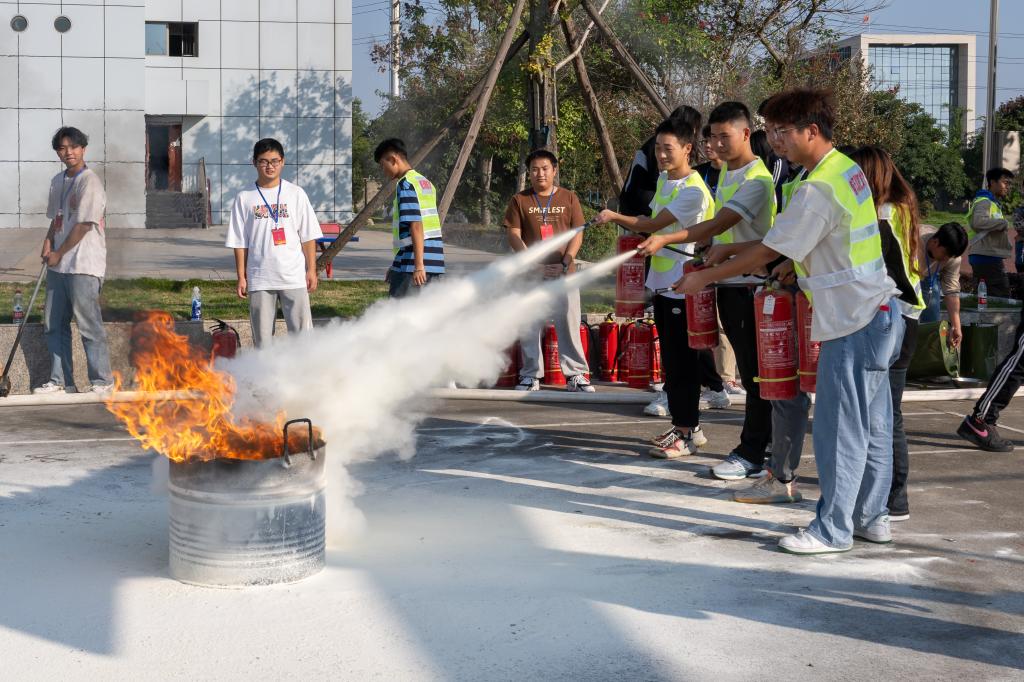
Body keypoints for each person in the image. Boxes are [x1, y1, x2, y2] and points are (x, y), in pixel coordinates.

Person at [678, 89, 902, 555]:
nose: (774, 140)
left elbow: (767, 248)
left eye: (782, 131)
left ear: (811, 131)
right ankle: (870, 518)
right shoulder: (845, 170)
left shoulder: (819, 186)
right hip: (877, 312)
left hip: (852, 321)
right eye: (771, 130)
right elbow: (804, 246)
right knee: (873, 425)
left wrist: (708, 277)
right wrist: (782, 264)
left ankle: (832, 531)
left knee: (840, 430)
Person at [637, 101, 777, 482]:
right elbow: (719, 231)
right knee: (751, 376)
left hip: (750, 287)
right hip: (729, 283)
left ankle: (754, 451)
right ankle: (757, 448)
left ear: (746, 134)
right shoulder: (729, 174)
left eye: (724, 136)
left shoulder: (756, 180)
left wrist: (669, 237)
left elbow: (718, 224)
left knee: (756, 377)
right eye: (712, 137)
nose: (715, 144)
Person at [594, 116, 714, 456]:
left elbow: (654, 224)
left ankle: (685, 433)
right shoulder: (665, 181)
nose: (661, 155)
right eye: (658, 148)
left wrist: (614, 216)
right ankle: (689, 426)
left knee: (682, 364)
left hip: (683, 285)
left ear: (688, 149)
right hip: (663, 284)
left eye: (668, 149)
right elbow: (651, 223)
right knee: (674, 364)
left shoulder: (693, 189)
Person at [849, 145, 928, 523]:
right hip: (907, 317)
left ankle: (894, 496)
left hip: (893, 317)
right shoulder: (904, 206)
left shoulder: (882, 213)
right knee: (887, 414)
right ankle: (892, 495)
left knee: (884, 415)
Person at [503, 148, 594, 393]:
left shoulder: (569, 198)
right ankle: (530, 375)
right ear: (528, 173)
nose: (539, 173)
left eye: (545, 169)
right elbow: (513, 233)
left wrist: (566, 261)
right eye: (534, 169)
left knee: (568, 322)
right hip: (531, 275)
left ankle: (576, 374)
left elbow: (578, 233)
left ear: (554, 170)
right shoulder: (520, 200)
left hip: (564, 273)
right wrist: (530, 261)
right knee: (530, 324)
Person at [34, 126, 114, 394]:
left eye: (73, 147)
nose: (67, 152)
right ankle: (61, 382)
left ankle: (102, 382)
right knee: (53, 324)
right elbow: (56, 220)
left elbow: (82, 225)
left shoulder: (89, 181)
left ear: (83, 149)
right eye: (62, 148)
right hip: (59, 266)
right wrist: (48, 242)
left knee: (88, 324)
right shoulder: (58, 181)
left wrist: (59, 251)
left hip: (83, 264)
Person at [226, 138, 322, 349]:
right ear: (254, 163)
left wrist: (311, 270)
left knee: (302, 337)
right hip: (260, 277)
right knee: (263, 341)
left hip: (293, 276)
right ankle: (265, 379)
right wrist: (241, 276)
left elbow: (308, 236)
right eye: (263, 161)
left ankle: (305, 377)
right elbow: (239, 241)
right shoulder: (244, 197)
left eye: (274, 161)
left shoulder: (296, 194)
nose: (269, 166)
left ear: (283, 162)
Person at [374, 137, 445, 298]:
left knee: (401, 315)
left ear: (393, 159)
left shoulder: (405, 185)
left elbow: (416, 225)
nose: (383, 171)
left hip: (413, 264)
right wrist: (395, 265)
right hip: (433, 262)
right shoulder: (424, 182)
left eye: (382, 165)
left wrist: (418, 266)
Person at [967, 168, 1014, 298]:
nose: (1008, 187)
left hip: (986, 255)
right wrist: (1002, 223)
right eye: (1005, 182)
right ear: (993, 182)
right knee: (1000, 299)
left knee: (985, 299)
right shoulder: (984, 202)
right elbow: (978, 222)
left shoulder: (991, 202)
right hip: (986, 257)